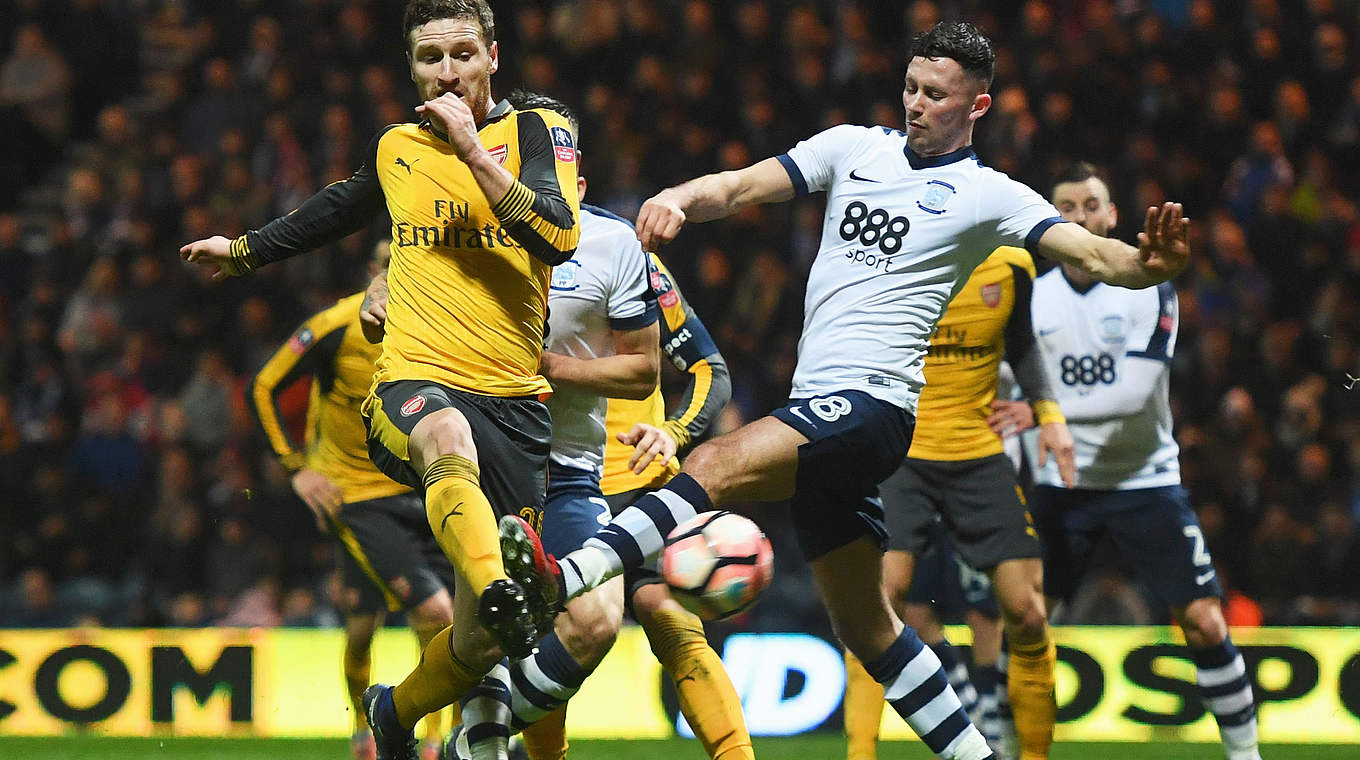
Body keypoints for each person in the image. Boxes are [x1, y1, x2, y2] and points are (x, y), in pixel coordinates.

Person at [500, 21, 1189, 760]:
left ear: (978, 107)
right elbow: (739, 187)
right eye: (912, 87)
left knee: (714, 464)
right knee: (870, 628)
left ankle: (573, 572)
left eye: (937, 95)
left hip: (873, 406)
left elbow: (1091, 252)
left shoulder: (990, 195)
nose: (917, 104)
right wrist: (679, 196)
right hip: (826, 415)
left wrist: (1148, 265)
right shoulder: (853, 148)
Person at [180, 2, 581, 758]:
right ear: (413, 69)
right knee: (442, 430)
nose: (449, 72)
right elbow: (337, 207)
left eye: (464, 53)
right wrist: (244, 250)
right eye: (431, 58)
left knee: (475, 643)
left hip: (516, 401)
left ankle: (393, 713)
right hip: (417, 382)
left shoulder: (537, 131)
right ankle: (498, 582)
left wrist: (473, 152)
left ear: (494, 56)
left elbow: (557, 233)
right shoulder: (397, 145)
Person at [1010, 162, 1261, 760]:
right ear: (1050, 220)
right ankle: (1004, 745)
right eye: (1066, 208)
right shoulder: (1031, 295)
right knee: (1025, 622)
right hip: (1061, 486)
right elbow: (1007, 392)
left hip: (1144, 480)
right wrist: (1028, 455)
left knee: (1204, 622)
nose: (1079, 218)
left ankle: (1246, 756)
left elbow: (1133, 395)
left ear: (1112, 214)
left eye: (1091, 205)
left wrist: (1046, 414)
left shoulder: (1149, 282)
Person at [842, 243, 1076, 760]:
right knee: (877, 602)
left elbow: (1023, 345)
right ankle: (860, 754)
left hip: (979, 454)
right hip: (903, 451)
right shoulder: (894, 257)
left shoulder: (1012, 265)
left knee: (1028, 611)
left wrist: (1050, 415)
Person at [245, 241, 457, 760]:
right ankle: (379, 729)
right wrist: (297, 470)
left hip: (424, 488)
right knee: (430, 614)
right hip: (356, 498)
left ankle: (428, 742)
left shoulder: (439, 326)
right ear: (371, 270)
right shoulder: (333, 327)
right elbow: (264, 386)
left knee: (384, 623)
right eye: (386, 262)